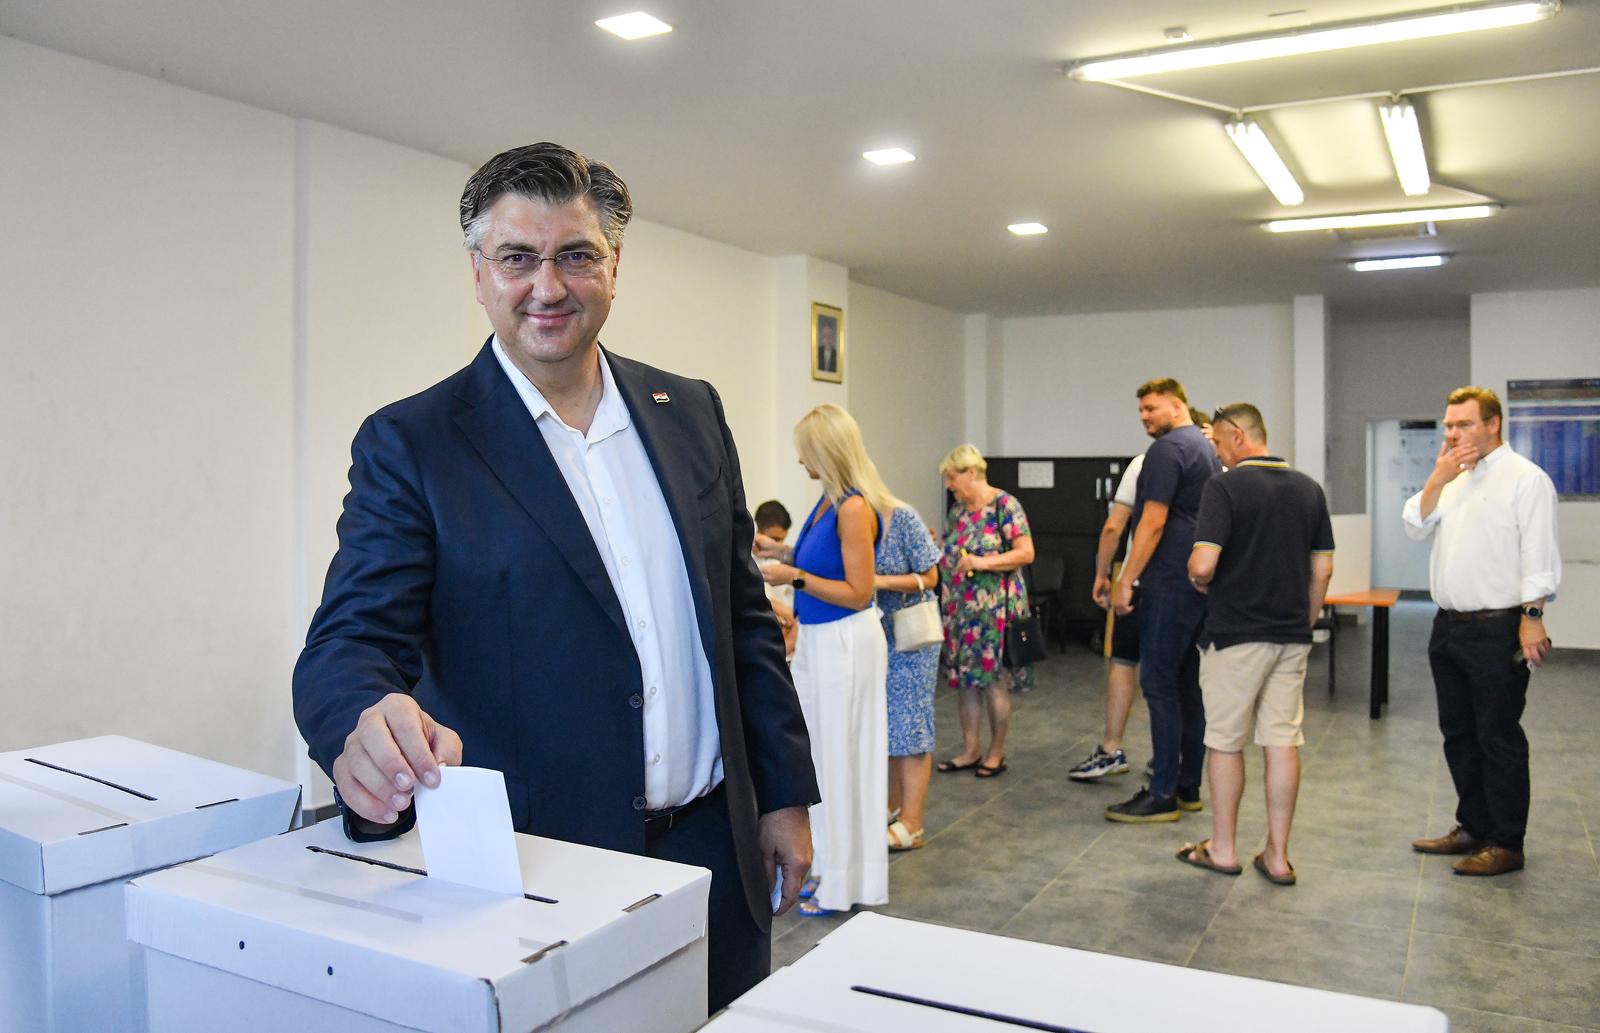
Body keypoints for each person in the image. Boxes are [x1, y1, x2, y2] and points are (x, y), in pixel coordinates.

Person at [291, 142, 819, 1015]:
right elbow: (348, 642)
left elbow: (745, 623)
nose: (548, 285)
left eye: (576, 255)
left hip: (712, 848)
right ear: (478, 273)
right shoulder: (415, 444)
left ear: (614, 266)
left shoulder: (688, 410)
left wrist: (785, 795)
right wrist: (361, 721)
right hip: (536, 869)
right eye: (518, 258)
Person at [1404, 386, 1560, 877]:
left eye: (1463, 424)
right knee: (1458, 733)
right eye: (1449, 425)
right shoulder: (1453, 479)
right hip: (1448, 627)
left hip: (1498, 628)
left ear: (1492, 424)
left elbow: (1538, 556)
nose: (1452, 434)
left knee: (1498, 736)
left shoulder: (1526, 479)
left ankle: (1507, 842)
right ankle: (1472, 825)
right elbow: (1415, 523)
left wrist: (1531, 620)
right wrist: (1437, 475)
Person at [1179, 403, 1334, 885]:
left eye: (1221, 446)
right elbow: (1323, 567)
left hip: (1236, 636)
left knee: (1224, 742)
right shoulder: (1310, 489)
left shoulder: (1224, 487)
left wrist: (1196, 576)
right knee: (1282, 741)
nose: (1219, 457)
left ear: (1240, 437)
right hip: (1290, 637)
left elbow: (1204, 563)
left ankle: (1222, 849)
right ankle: (1278, 856)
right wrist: (1303, 621)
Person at [756, 404, 890, 915]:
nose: (798, 459)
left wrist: (794, 579)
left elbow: (859, 591)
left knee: (843, 757)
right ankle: (827, 861)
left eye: (805, 450)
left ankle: (847, 878)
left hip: (846, 640)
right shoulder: (824, 504)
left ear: (826, 451)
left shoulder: (855, 508)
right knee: (821, 759)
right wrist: (778, 551)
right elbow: (819, 561)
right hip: (818, 639)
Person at [1107, 378, 1220, 822]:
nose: (1144, 417)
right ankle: (1189, 785)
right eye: (1140, 411)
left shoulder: (1167, 451)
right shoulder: (1204, 448)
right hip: (1196, 584)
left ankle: (1162, 793)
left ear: (1178, 405)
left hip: (1168, 582)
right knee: (1188, 687)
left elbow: (1150, 522)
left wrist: (1125, 579)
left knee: (1158, 684)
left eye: (1151, 408)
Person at [936, 444, 1037, 779]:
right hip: (961, 611)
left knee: (994, 682)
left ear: (971, 472)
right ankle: (970, 749)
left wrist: (983, 562)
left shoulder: (1005, 506)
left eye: (952, 478)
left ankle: (996, 751)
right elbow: (956, 550)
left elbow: (1025, 553)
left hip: (996, 611)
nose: (949, 485)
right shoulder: (958, 512)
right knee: (965, 681)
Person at [1071, 450, 1146, 781]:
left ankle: (1112, 747)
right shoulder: (1216, 462)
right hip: (1191, 587)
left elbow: (1114, 526)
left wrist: (1107, 575)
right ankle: (1177, 761)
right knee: (1181, 676)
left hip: (1141, 584)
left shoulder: (1145, 463)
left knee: (1124, 663)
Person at [874, 502, 942, 851]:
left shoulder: (901, 517)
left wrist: (875, 581)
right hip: (878, 633)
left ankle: (912, 823)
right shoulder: (848, 516)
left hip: (911, 635)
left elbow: (931, 576)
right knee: (887, 725)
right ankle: (892, 808)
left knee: (910, 721)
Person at [754, 500, 798, 659]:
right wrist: (778, 608)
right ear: (758, 530)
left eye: (782, 540)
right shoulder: (742, 559)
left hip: (790, 638)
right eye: (774, 538)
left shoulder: (785, 560)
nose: (778, 545)